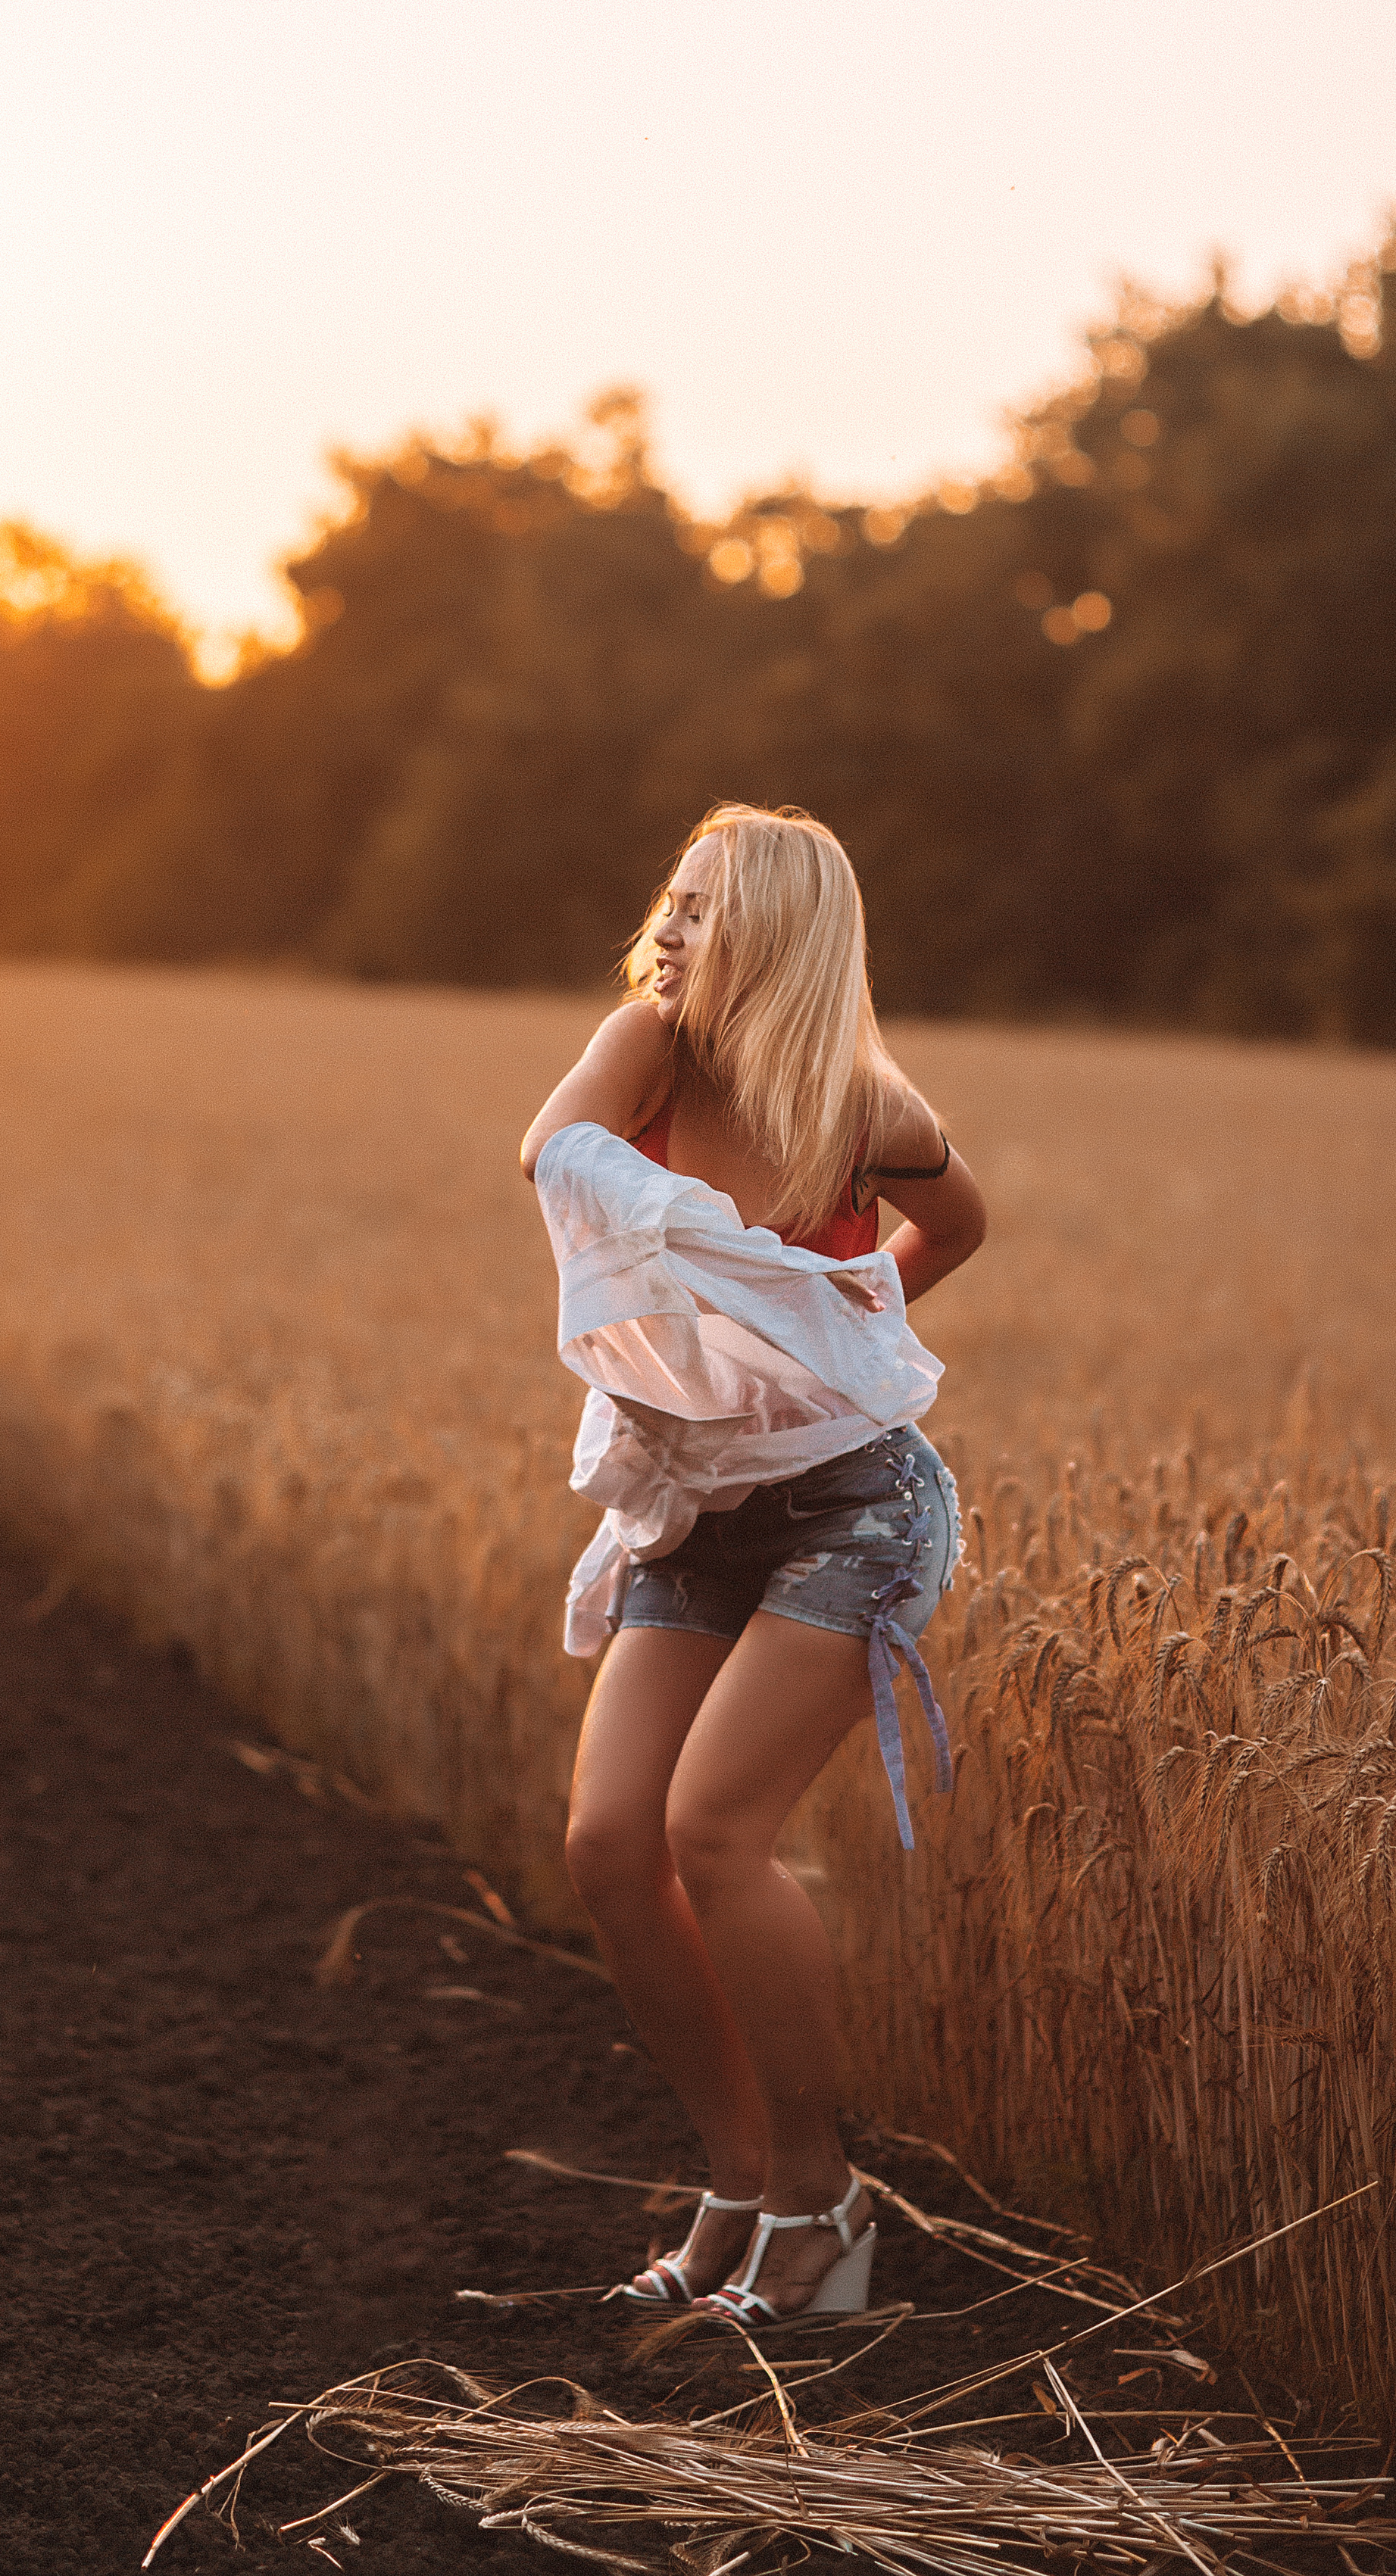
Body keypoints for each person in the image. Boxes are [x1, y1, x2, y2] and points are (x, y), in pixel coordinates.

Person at [519, 804, 985, 2325]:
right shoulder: (645, 1044)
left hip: (854, 1503)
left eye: (705, 907)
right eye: (670, 894)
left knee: (711, 1831)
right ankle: (734, 2180)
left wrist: (834, 1335)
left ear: (779, 936)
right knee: (607, 1842)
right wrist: (712, 1270)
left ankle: (817, 2202)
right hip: (698, 1506)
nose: (667, 924)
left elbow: (956, 1221)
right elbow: (551, 1149)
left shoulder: (855, 1099)